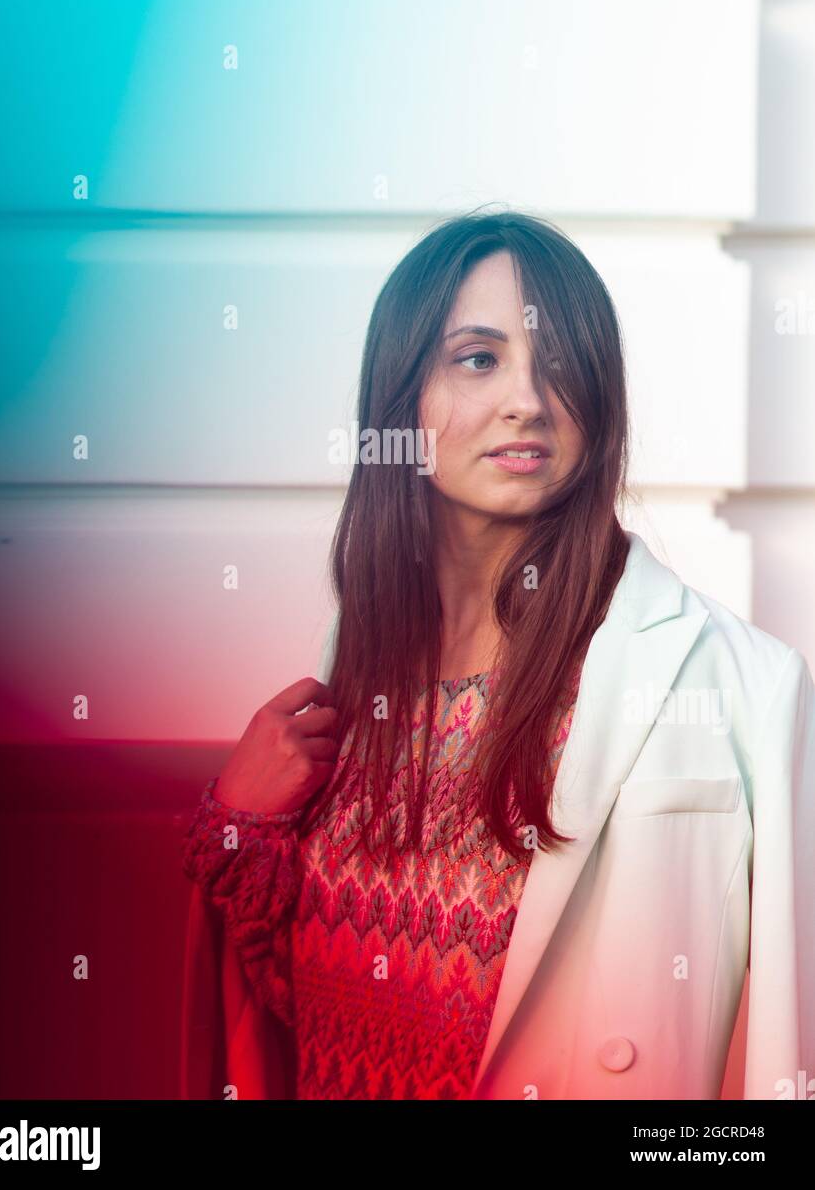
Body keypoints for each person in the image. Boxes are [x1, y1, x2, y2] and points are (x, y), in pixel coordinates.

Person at [181, 208, 815, 1101]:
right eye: (478, 358)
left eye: (561, 364)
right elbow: (271, 1031)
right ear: (402, 399)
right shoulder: (352, 668)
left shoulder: (741, 683)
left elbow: (792, 1066)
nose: (530, 398)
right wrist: (242, 821)